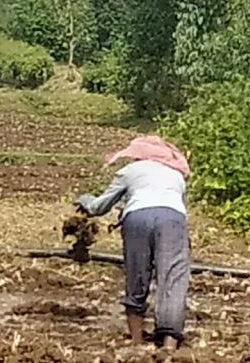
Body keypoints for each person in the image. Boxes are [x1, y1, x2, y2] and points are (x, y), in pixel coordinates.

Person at [74, 136, 191, 351]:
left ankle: (136, 342)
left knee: (137, 274)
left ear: (138, 155)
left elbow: (99, 207)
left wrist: (85, 200)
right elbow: (177, 204)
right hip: (172, 220)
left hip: (137, 218)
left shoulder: (129, 171)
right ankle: (169, 345)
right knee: (172, 278)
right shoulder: (176, 175)